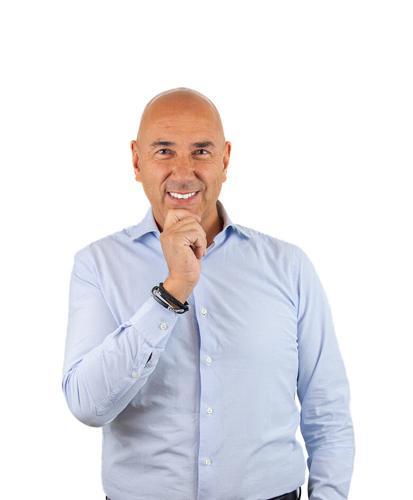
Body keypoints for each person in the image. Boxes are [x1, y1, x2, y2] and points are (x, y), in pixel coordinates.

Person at [61, 87, 355, 500]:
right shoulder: (97, 265)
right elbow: (87, 405)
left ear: (225, 160)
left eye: (201, 151)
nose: (183, 172)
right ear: (137, 161)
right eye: (164, 151)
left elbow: (327, 410)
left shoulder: (288, 266)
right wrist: (172, 291)